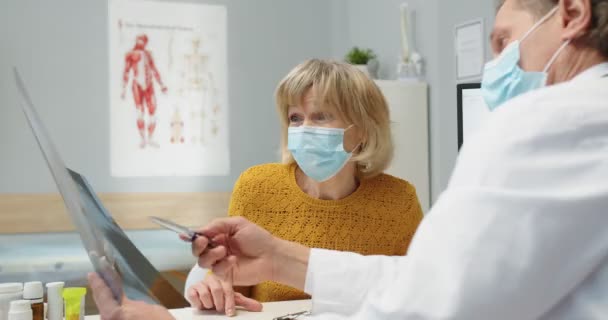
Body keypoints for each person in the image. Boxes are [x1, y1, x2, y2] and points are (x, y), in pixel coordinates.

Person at [89, 0, 608, 318]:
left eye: (504, 41)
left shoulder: (551, 123)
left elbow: (428, 301)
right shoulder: (259, 187)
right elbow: (430, 287)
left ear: (572, 13)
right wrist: (267, 262)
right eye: (296, 118)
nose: (495, 65)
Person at [183, 59, 424, 316]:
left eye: (321, 116)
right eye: (295, 118)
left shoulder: (398, 201)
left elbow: (419, 295)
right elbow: (230, 282)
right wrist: (216, 288)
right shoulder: (257, 187)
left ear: (363, 129)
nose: (305, 129)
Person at [121, 34, 168, 148]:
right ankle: (143, 139)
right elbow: (126, 71)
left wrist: (161, 84)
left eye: (143, 41)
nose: (140, 43)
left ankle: (150, 139)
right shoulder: (131, 55)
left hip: (149, 85)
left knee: (152, 111)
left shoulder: (148, 54)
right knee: (140, 112)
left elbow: (154, 69)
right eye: (139, 41)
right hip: (137, 85)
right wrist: (123, 89)